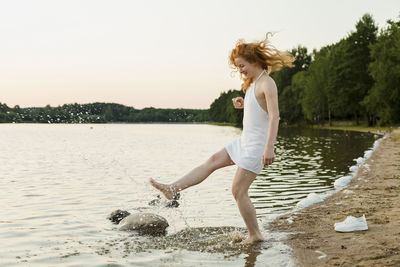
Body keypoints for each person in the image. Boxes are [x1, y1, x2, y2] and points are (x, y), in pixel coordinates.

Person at [149, 33, 294, 244]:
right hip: (244, 142)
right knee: (212, 161)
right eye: (238, 67)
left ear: (254, 61)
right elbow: (259, 109)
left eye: (242, 66)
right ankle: (173, 189)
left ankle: (255, 235)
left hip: (256, 147)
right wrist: (244, 105)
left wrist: (269, 148)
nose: (240, 70)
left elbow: (274, 116)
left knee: (238, 190)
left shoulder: (267, 83)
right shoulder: (254, 84)